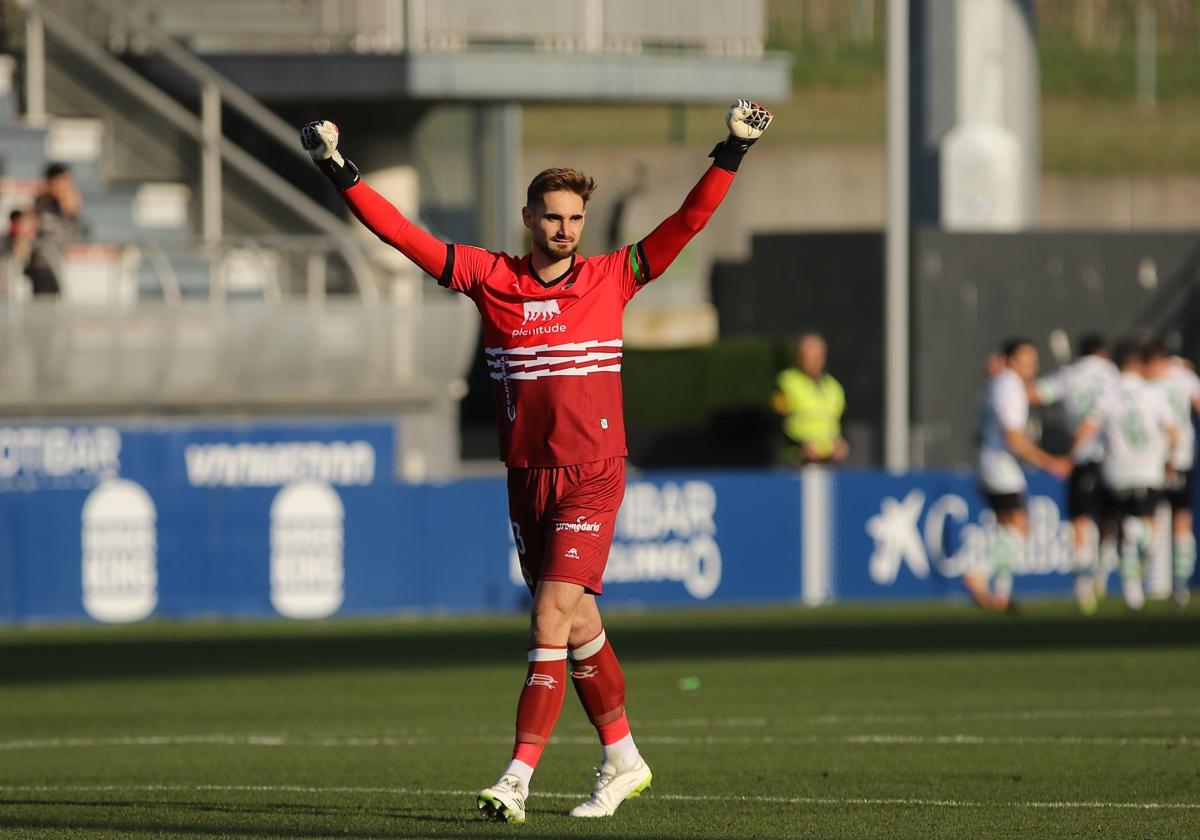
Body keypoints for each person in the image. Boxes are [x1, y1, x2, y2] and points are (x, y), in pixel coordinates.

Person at [300, 99, 773, 823]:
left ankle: (517, 777)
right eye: (553, 216)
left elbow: (688, 223)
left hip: (593, 474)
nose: (566, 229)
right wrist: (339, 170)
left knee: (550, 618)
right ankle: (623, 759)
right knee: (578, 625)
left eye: (575, 218)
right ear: (529, 218)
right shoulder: (491, 278)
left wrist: (730, 152)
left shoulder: (613, 277)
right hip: (526, 478)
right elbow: (402, 235)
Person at [1073, 339, 1177, 610]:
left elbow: (1089, 427)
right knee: (1147, 534)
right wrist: (1170, 459)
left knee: (1126, 540)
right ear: (1139, 363)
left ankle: (1134, 595)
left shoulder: (1109, 392)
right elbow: (1173, 433)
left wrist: (1069, 454)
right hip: (1148, 471)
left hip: (1115, 472)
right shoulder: (1153, 392)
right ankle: (1134, 538)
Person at [969, 338, 1071, 612]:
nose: (1032, 365)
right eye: (1026, 359)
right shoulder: (1009, 387)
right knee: (1018, 528)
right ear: (1010, 360)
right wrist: (1049, 461)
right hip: (1001, 466)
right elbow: (1012, 436)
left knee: (1006, 529)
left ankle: (1001, 595)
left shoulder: (1000, 383)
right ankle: (979, 573)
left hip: (992, 462)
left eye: (1033, 359)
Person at [1029, 333, 1120, 613]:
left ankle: (1082, 586)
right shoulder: (1112, 373)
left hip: (1079, 457)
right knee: (1110, 520)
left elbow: (1036, 394)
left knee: (1080, 520)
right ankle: (1103, 572)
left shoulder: (1070, 374)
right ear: (1103, 352)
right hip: (1112, 457)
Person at [1143, 340, 1200, 607]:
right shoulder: (1185, 376)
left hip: (1156, 460)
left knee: (1152, 519)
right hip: (1182, 457)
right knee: (1181, 520)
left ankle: (1151, 585)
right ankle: (1178, 585)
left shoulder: (1148, 382)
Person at [773, 332, 848, 465]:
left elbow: (842, 421)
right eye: (807, 356)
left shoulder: (834, 387)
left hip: (829, 462)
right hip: (797, 461)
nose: (812, 361)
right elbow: (776, 423)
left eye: (816, 357)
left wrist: (842, 443)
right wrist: (799, 446)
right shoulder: (786, 383)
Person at [28, 162, 86, 297]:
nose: (68, 186)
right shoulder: (43, 204)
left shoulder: (64, 204)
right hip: (44, 266)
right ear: (53, 181)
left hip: (58, 265)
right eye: (64, 180)